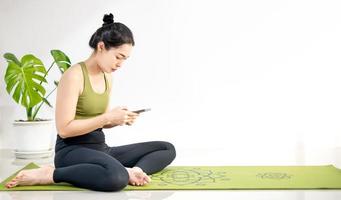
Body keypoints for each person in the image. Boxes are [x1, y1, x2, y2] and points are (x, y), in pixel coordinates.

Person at [5, 13, 176, 192]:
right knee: (116, 178)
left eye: (125, 59)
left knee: (166, 148)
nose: (120, 64)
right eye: (118, 56)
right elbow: (64, 129)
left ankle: (134, 172)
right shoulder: (74, 76)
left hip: (100, 148)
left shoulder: (107, 77)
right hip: (71, 151)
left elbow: (97, 122)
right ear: (101, 47)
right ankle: (51, 174)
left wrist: (118, 120)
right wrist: (107, 117)